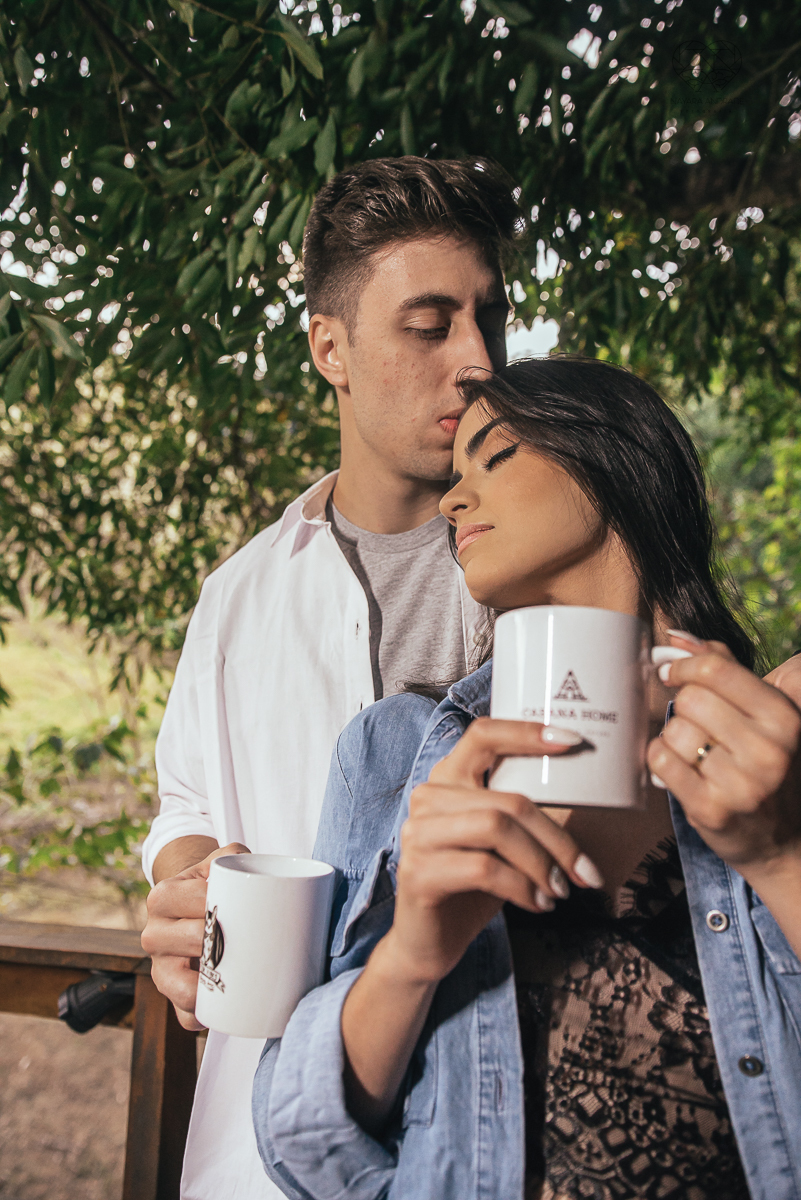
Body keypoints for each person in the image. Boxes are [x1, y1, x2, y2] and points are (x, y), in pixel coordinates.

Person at [253, 357, 801, 1200]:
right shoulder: (392, 753)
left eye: (495, 456)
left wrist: (777, 857)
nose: (450, 500)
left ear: (616, 460)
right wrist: (411, 956)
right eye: (452, 472)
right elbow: (301, 1148)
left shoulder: (775, 740)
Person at [139, 156, 520, 1200]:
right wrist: (189, 884)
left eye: (490, 318)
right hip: (260, 1149)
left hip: (501, 1138)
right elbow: (186, 804)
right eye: (430, 324)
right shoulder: (240, 596)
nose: (479, 360)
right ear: (330, 348)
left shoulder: (557, 575)